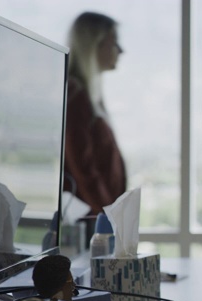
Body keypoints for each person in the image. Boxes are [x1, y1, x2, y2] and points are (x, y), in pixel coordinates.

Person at [64, 12, 126, 215]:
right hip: (91, 220)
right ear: (94, 45)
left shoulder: (89, 95)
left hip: (96, 217)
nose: (120, 50)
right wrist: (107, 214)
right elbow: (84, 167)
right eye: (113, 42)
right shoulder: (76, 96)